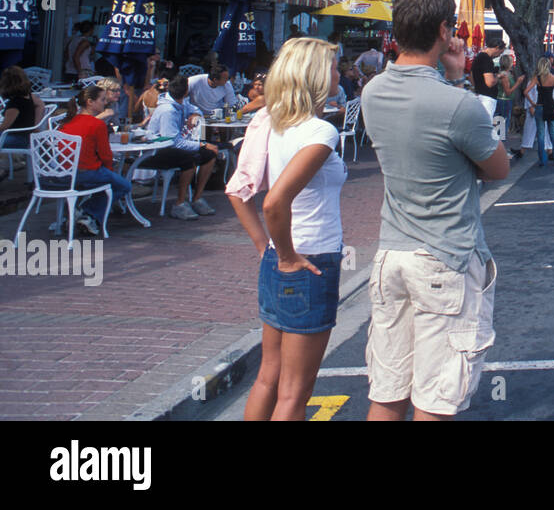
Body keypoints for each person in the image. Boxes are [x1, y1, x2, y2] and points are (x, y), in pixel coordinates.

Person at [360, 0, 508, 420]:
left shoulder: (371, 93)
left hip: (392, 253)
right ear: (445, 31)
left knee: (387, 391)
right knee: (436, 399)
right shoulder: (457, 104)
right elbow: (498, 168)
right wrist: (459, 80)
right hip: (446, 256)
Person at [228, 36, 348, 420]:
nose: (338, 73)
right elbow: (274, 201)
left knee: (269, 377)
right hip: (309, 260)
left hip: (279, 261)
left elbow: (238, 191)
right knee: (295, 393)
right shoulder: (320, 132)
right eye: (332, 67)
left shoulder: (267, 120)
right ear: (314, 75)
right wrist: (287, 254)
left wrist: (267, 247)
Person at [56, 85, 132, 236]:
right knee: (123, 185)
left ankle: (81, 212)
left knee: (108, 181)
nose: (105, 103)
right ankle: (88, 213)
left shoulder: (66, 123)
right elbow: (105, 155)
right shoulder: (97, 124)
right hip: (87, 172)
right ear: (90, 102)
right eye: (102, 100)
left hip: (64, 173)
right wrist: (110, 172)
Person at [144, 77, 221, 220]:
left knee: (210, 154)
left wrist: (195, 115)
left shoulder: (181, 103)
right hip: (158, 149)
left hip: (172, 145)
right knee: (188, 160)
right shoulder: (168, 110)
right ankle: (179, 204)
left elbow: (195, 108)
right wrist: (202, 144)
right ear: (186, 92)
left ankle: (197, 198)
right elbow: (174, 142)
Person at [0, 66, 46, 150]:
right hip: (26, 136)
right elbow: (41, 104)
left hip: (17, 139)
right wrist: (35, 126)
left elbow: (4, 126)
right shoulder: (29, 96)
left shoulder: (14, 104)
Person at [470, 31, 505, 122]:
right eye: (500, 53)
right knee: (486, 123)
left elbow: (471, 76)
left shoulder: (478, 57)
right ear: (497, 48)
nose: (499, 55)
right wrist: (498, 76)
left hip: (479, 94)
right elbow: (490, 82)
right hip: (487, 98)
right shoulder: (487, 59)